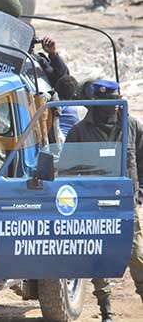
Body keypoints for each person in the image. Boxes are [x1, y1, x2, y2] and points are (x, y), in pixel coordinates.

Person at [65, 79, 143, 321]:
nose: (113, 108)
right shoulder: (79, 131)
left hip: (125, 206)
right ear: (95, 104)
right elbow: (66, 171)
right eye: (107, 104)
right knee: (97, 258)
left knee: (138, 256)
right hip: (94, 206)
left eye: (116, 103)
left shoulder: (131, 126)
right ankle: (106, 310)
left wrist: (140, 191)